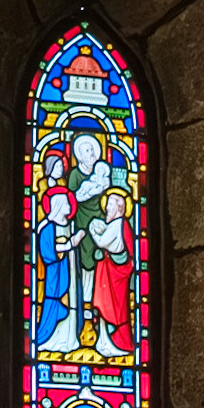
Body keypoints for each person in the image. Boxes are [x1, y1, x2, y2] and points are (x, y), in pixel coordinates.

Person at [36, 188, 84, 354]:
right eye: (65, 203)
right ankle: (51, 339)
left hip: (70, 272)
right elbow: (48, 252)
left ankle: (70, 340)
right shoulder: (48, 228)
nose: (69, 205)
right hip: (56, 275)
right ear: (57, 206)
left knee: (72, 303)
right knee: (55, 303)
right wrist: (71, 244)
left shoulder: (71, 225)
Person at [67, 134, 111, 313]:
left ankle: (99, 300)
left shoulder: (101, 173)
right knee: (85, 260)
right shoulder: (75, 174)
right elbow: (71, 198)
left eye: (93, 149)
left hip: (98, 219)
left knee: (100, 257)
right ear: (80, 155)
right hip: (81, 221)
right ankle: (85, 299)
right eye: (87, 150)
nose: (92, 153)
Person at [87, 188, 134, 353]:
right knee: (111, 306)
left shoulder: (117, 225)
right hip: (110, 270)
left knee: (114, 308)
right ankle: (105, 341)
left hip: (114, 273)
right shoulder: (117, 224)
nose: (106, 208)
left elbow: (101, 242)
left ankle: (114, 343)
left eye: (109, 205)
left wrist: (92, 229)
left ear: (118, 208)